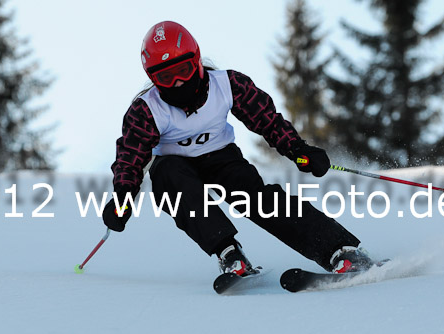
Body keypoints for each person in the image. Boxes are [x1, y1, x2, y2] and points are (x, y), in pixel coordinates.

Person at [102, 21, 375, 276]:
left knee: (258, 199)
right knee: (169, 178)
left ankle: (341, 250)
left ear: (196, 61)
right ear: (152, 78)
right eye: (166, 77)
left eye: (183, 71)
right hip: (175, 167)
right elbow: (131, 158)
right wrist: (123, 197)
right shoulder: (146, 109)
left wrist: (298, 150)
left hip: (222, 159)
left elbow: (266, 120)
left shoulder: (228, 85)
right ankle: (230, 254)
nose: (178, 83)